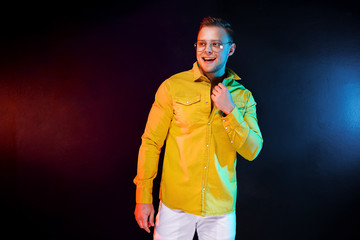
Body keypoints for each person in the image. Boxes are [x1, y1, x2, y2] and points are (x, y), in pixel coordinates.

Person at [134, 17, 263, 240]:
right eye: (202, 43)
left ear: (231, 49)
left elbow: (252, 151)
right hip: (174, 206)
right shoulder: (172, 87)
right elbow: (151, 142)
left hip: (220, 210)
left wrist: (231, 111)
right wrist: (143, 197)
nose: (207, 50)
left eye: (216, 44)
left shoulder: (243, 97)